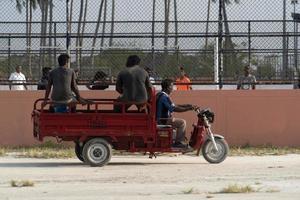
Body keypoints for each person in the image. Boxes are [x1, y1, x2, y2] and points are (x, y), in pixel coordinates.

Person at [156, 79, 195, 149]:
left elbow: (174, 106)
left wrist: (188, 105)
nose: (173, 88)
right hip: (163, 120)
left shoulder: (163, 95)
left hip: (163, 119)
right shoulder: (163, 97)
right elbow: (174, 109)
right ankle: (178, 142)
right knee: (182, 123)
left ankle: (177, 141)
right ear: (168, 87)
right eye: (172, 86)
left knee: (179, 122)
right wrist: (188, 109)